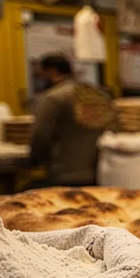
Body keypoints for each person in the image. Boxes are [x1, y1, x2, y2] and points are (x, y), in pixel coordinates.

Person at [29, 54, 112, 185]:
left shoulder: (53, 98)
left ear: (52, 71)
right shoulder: (99, 94)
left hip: (64, 175)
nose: (41, 78)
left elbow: (40, 136)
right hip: (99, 173)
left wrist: (35, 160)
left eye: (42, 74)